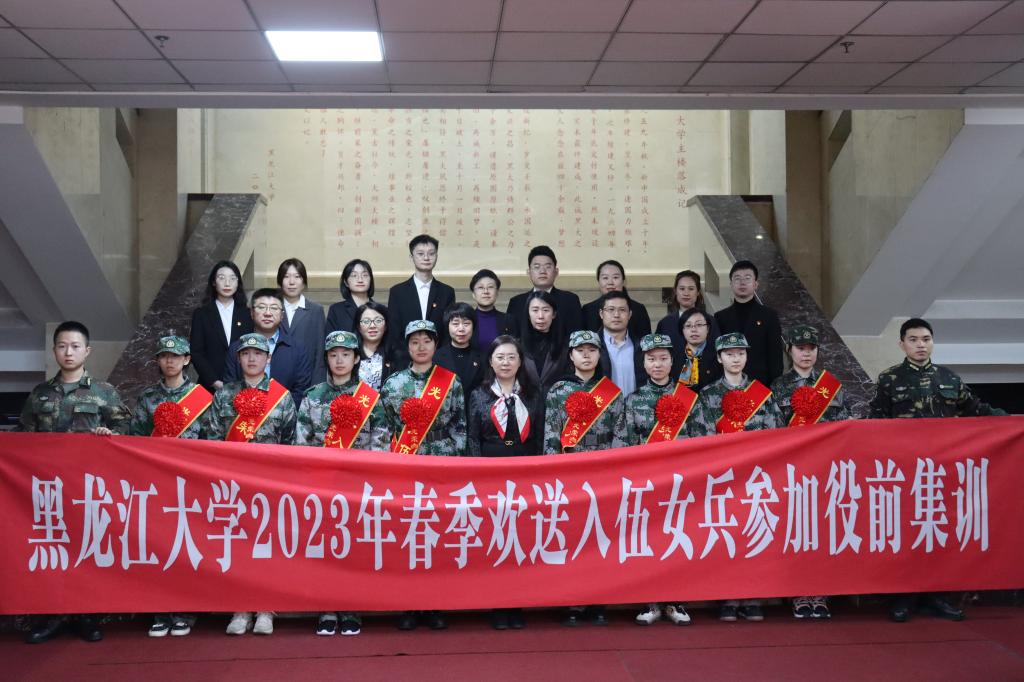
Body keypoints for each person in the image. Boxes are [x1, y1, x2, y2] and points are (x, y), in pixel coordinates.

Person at [869, 317, 1006, 624]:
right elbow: (874, 423)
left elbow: (977, 411)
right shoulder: (890, 379)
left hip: (942, 473)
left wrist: (1012, 421)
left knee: (940, 532)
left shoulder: (949, 378)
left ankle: (936, 596)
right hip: (905, 473)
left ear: (933, 342)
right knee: (906, 533)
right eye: (914, 339)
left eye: (926, 339)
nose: (921, 345)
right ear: (902, 344)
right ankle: (903, 596)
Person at [19, 321, 131, 645]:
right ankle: (53, 615)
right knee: (52, 552)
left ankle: (87, 615)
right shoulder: (40, 394)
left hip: (88, 489)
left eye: (75, 346)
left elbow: (127, 431)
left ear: (87, 351)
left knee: (86, 551)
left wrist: (110, 435)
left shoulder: (104, 392)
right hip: (48, 489)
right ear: (54, 350)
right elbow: (23, 438)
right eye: (62, 346)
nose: (68, 352)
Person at [295, 330, 388, 638]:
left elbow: (380, 443)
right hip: (321, 484)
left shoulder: (370, 398)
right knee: (324, 548)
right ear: (326, 358)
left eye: (346, 354)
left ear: (356, 358)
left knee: (354, 549)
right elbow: (302, 442)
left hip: (357, 486)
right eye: (333, 355)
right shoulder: (313, 395)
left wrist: (364, 477)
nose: (339, 360)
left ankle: (350, 608)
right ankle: (326, 608)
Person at [205, 333, 297, 636]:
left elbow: (290, 444)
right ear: (238, 358)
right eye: (246, 353)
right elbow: (212, 440)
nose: (252, 358)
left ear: (268, 358)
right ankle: (240, 608)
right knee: (237, 547)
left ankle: (266, 609)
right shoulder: (224, 395)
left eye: (258, 353)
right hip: (233, 485)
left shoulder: (282, 397)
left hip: (270, 485)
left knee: (268, 547)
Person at [688, 332, 783, 623]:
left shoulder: (762, 394)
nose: (735, 358)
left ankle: (752, 596)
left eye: (740, 353)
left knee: (754, 537)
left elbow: (777, 434)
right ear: (719, 358)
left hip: (756, 479)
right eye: (729, 354)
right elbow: (701, 438)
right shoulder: (708, 395)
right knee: (726, 539)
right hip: (723, 480)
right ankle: (728, 596)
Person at [380, 320, 466, 632]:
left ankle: (435, 604)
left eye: (426, 341)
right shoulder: (393, 384)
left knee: (439, 535)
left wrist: (454, 461)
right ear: (407, 346)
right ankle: (408, 604)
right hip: (405, 467)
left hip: (441, 466)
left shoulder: (450, 381)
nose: (421, 347)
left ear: (435, 345)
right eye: (414, 341)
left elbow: (460, 426)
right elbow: (386, 428)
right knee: (408, 535)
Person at [612, 334, 698, 627]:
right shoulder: (633, 400)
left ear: (673, 362)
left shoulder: (690, 399)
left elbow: (705, 441)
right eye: (651, 359)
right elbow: (622, 444)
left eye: (663, 358)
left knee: (677, 542)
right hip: (645, 484)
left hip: (681, 484)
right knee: (648, 542)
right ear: (644, 363)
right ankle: (650, 600)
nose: (657, 364)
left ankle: (676, 601)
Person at [130, 335, 212, 637]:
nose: (170, 361)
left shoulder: (202, 397)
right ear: (158, 360)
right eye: (165, 356)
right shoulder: (147, 398)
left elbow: (211, 442)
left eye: (176, 356)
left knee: (188, 548)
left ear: (187, 360)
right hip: (156, 484)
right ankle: (160, 610)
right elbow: (136, 438)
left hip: (191, 486)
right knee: (159, 547)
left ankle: (185, 611)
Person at [542, 330, 625, 626]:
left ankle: (598, 601)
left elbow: (620, 435)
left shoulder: (611, 392)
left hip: (603, 473)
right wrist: (555, 474)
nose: (586, 355)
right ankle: (572, 602)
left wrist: (613, 471)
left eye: (592, 350)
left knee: (600, 539)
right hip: (570, 473)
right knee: (572, 537)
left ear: (600, 355)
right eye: (581, 350)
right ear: (571, 355)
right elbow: (551, 435)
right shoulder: (558, 390)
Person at [770, 325, 851, 620]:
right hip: (792, 473)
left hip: (825, 472)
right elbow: (773, 432)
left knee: (822, 533)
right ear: (789, 350)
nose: (806, 353)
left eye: (811, 348)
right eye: (800, 348)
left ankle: (820, 592)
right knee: (795, 533)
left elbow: (844, 428)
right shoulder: (778, 387)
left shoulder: (832, 386)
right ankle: (798, 592)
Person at [466, 335, 544, 630]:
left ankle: (517, 602)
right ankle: (497, 603)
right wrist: (477, 474)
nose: (506, 362)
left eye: (512, 357)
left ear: (521, 361)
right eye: (500, 357)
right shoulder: (479, 394)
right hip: (491, 471)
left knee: (520, 538)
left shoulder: (533, 394)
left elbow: (540, 436)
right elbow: (473, 438)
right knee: (496, 538)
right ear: (490, 361)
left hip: (525, 469)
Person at [222, 288, 313, 408]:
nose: (268, 313)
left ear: (282, 315)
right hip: (244, 415)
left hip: (285, 415)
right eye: (261, 307)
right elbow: (229, 388)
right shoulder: (236, 347)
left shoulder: (297, 349)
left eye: (274, 308)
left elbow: (301, 390)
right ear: (252, 313)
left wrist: (278, 412)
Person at [714, 260, 783, 388]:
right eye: (737, 278)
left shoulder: (769, 316)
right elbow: (717, 355)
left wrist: (774, 388)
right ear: (731, 284)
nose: (742, 282)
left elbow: (776, 356)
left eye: (747, 278)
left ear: (755, 284)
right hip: (729, 386)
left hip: (760, 386)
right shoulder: (720, 317)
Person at [189, 260, 254, 392]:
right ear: (214, 282)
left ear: (238, 283)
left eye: (232, 278)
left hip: (243, 386)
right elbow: (196, 352)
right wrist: (214, 381)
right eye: (221, 278)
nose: (227, 283)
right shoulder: (201, 314)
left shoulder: (247, 314)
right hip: (209, 386)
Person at [386, 234, 456, 353]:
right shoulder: (397, 292)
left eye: (431, 253)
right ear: (411, 257)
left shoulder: (447, 292)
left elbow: (447, 331)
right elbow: (394, 331)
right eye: (420, 254)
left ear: (437, 257)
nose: (426, 258)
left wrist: (439, 356)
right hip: (405, 357)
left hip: (438, 358)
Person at [505, 245, 583, 336]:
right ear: (529, 272)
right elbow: (511, 338)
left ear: (556, 272)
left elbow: (577, 336)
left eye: (548, 267)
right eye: (537, 267)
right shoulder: (516, 302)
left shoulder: (570, 300)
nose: (542, 271)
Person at [277, 257, 327, 384]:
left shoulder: (316, 310)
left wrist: (317, 386)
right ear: (280, 281)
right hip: (276, 379)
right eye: (286, 277)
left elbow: (320, 351)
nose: (291, 282)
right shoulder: (272, 308)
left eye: (297, 277)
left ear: (304, 281)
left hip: (306, 380)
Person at [582, 260, 651, 340]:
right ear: (598, 281)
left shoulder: (638, 309)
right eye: (605, 278)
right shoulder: (588, 310)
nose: (610, 282)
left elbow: (645, 341)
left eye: (615, 277)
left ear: (623, 281)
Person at [596, 290, 645, 398]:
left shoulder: (642, 347)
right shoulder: (592, 347)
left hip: (636, 406)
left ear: (629, 314)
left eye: (622, 310)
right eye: (611, 309)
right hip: (604, 406)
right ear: (601, 314)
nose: (616, 315)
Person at [519, 290, 570, 393]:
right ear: (528, 314)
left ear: (554, 314)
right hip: (525, 400)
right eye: (535, 310)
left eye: (546, 310)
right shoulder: (517, 345)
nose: (541, 316)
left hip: (556, 400)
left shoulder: (565, 346)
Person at [656, 270, 718, 351]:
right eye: (682, 289)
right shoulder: (665, 323)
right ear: (675, 291)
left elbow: (716, 350)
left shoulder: (710, 321)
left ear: (698, 292)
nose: (686, 293)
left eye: (691, 289)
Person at [434, 302, 484, 397]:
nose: (461, 329)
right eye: (455, 324)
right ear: (447, 326)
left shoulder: (482, 357)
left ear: (473, 326)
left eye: (466, 323)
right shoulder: (436, 357)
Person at [354, 301, 398, 390]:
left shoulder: (397, 355)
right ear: (358, 327)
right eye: (366, 321)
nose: (372, 326)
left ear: (386, 325)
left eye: (378, 321)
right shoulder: (350, 354)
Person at [326, 258, 375, 335]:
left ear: (371, 280)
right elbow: (331, 340)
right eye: (354, 275)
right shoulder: (336, 310)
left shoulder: (381, 310)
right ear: (346, 282)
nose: (360, 280)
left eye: (365, 275)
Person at [676, 308, 721, 391]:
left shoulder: (719, 356)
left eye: (699, 325)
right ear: (682, 330)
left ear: (708, 328)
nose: (693, 329)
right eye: (688, 326)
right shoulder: (674, 356)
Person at [469, 268, 513, 352]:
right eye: (480, 287)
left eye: (490, 287)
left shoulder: (509, 320)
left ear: (497, 293)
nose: (486, 291)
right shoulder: (467, 321)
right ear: (473, 294)